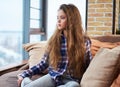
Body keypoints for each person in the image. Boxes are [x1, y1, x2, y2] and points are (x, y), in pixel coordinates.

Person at [17, 4, 92, 87]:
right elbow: (43, 64)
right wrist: (24, 74)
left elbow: (89, 65)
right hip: (53, 77)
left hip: (72, 80)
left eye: (62, 18)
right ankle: (25, 82)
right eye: (57, 18)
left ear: (72, 20)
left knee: (74, 86)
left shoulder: (85, 41)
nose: (58, 21)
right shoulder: (54, 40)